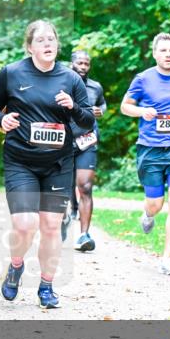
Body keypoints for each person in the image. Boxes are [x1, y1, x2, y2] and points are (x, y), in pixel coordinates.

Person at [0, 20, 95, 309]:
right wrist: (1, 119)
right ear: (29, 46)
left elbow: (88, 120)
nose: (48, 44)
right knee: (24, 224)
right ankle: (16, 265)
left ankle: (46, 286)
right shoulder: (11, 73)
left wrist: (73, 106)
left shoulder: (71, 79)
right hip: (20, 160)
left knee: (50, 227)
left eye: (52, 40)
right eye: (41, 40)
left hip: (58, 163)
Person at [120, 32, 170, 276]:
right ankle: (147, 214)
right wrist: (142, 111)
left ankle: (167, 258)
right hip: (150, 150)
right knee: (156, 204)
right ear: (155, 53)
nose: (168, 55)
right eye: (163, 51)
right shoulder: (143, 79)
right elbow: (125, 107)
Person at [64, 50, 106, 251]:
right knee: (63, 187)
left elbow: (102, 105)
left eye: (86, 64)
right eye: (79, 63)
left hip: (86, 141)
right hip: (62, 142)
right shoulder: (61, 82)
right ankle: (66, 215)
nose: (83, 66)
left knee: (85, 186)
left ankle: (83, 235)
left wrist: (100, 111)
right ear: (72, 64)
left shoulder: (95, 87)